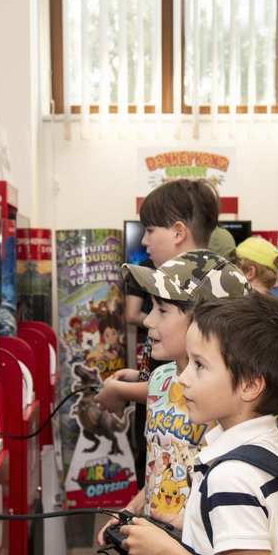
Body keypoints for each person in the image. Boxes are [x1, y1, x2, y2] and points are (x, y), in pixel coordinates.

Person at [120, 292, 278, 555]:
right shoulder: (264, 443)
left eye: (200, 365)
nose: (183, 379)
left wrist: (169, 554)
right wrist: (193, 533)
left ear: (251, 385)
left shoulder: (232, 477)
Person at [97, 249, 251, 555]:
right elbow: (163, 461)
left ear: (206, 322)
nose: (147, 320)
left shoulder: (226, 401)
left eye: (162, 311)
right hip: (157, 549)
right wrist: (134, 510)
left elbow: (234, 511)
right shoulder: (164, 379)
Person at [104, 179, 221, 484]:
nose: (144, 241)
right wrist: (143, 376)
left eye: (151, 230)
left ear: (179, 232)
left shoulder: (207, 297)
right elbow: (171, 375)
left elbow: (189, 386)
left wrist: (122, 391)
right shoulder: (175, 283)